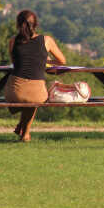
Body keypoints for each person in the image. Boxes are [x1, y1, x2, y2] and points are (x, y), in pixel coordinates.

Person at [6, 9, 66, 142]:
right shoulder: (47, 40)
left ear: (18, 25)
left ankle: (22, 127)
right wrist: (45, 60)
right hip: (37, 93)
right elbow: (62, 60)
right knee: (33, 98)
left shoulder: (12, 41)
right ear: (36, 24)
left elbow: (14, 62)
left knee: (27, 97)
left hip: (14, 92)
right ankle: (25, 133)